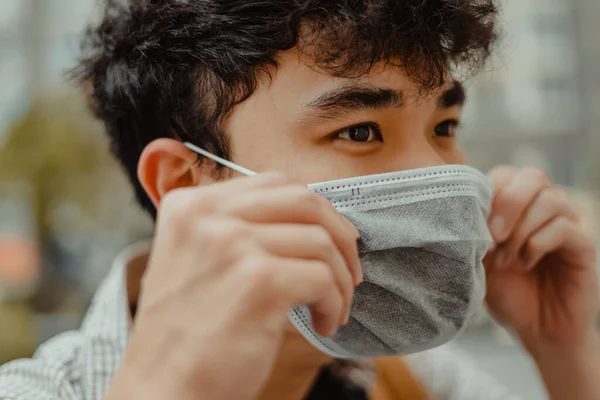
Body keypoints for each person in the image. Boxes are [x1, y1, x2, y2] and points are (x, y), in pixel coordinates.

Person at [1, 0, 599, 399]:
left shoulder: (412, 380)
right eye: (360, 131)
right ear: (186, 183)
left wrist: (564, 347)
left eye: (444, 128)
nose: (437, 174)